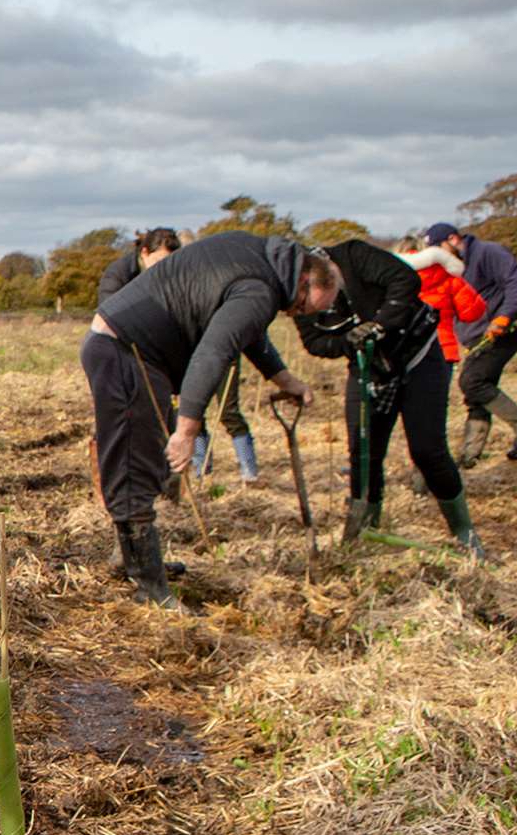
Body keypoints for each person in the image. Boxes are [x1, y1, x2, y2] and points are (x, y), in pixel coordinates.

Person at [86, 233, 334, 604]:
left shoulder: (260, 259)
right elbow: (214, 352)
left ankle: (131, 559)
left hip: (131, 347)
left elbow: (247, 332)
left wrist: (285, 380)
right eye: (301, 306)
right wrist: (187, 429)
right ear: (305, 280)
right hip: (125, 351)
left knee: (146, 461)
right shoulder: (260, 288)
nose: (293, 314)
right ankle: (150, 591)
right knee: (133, 466)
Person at [294, 238, 487, 556]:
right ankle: (362, 531)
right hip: (369, 366)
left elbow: (406, 280)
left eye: (307, 302)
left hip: (418, 355)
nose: (307, 311)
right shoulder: (297, 294)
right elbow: (314, 342)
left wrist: (380, 325)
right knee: (363, 452)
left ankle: (464, 531)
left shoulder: (354, 255)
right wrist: (348, 341)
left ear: (317, 278)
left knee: (427, 450)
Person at [99, 229, 258, 480]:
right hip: (187, 353)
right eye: (161, 260)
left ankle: (249, 470)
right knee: (192, 412)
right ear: (144, 253)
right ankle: (200, 468)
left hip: (221, 352)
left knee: (228, 411)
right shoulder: (121, 275)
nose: (165, 267)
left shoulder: (206, 279)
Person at [423, 220, 517, 462]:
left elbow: (516, 281)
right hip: (475, 338)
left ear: (453, 239)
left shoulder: (488, 252)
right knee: (477, 393)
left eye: (438, 249)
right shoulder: (451, 266)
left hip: (501, 333)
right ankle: (470, 454)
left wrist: (504, 317)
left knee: (472, 382)